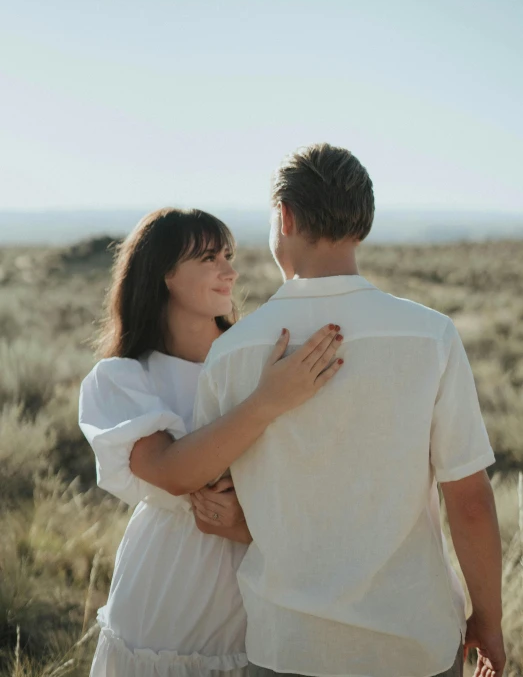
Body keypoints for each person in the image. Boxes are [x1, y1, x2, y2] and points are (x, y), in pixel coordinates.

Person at [193, 144, 506, 677]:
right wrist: (490, 621)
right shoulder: (431, 336)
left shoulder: (231, 353)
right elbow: (470, 501)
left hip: (288, 645)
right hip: (416, 642)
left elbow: (214, 500)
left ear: (285, 217)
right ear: (364, 220)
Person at [79, 207, 344, 677]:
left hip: (263, 582)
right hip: (166, 587)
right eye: (208, 258)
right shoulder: (124, 378)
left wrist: (249, 521)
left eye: (228, 254)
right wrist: (267, 401)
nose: (230, 271)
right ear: (163, 274)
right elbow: (172, 472)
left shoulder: (262, 359)